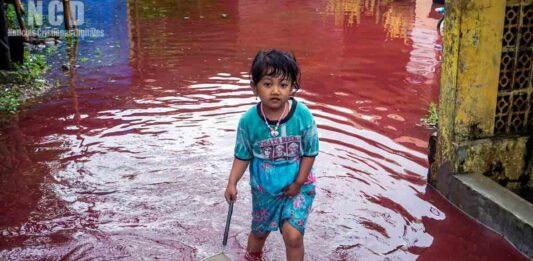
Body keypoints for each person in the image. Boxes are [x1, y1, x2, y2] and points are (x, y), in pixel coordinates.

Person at [224, 49, 319, 261]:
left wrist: (299, 182)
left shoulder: (302, 115)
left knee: (293, 236)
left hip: (298, 185)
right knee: (259, 233)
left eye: (283, 85)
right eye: (268, 84)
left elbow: (310, 152)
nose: (276, 91)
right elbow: (243, 156)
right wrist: (232, 182)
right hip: (264, 189)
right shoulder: (249, 121)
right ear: (254, 87)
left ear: (292, 86)